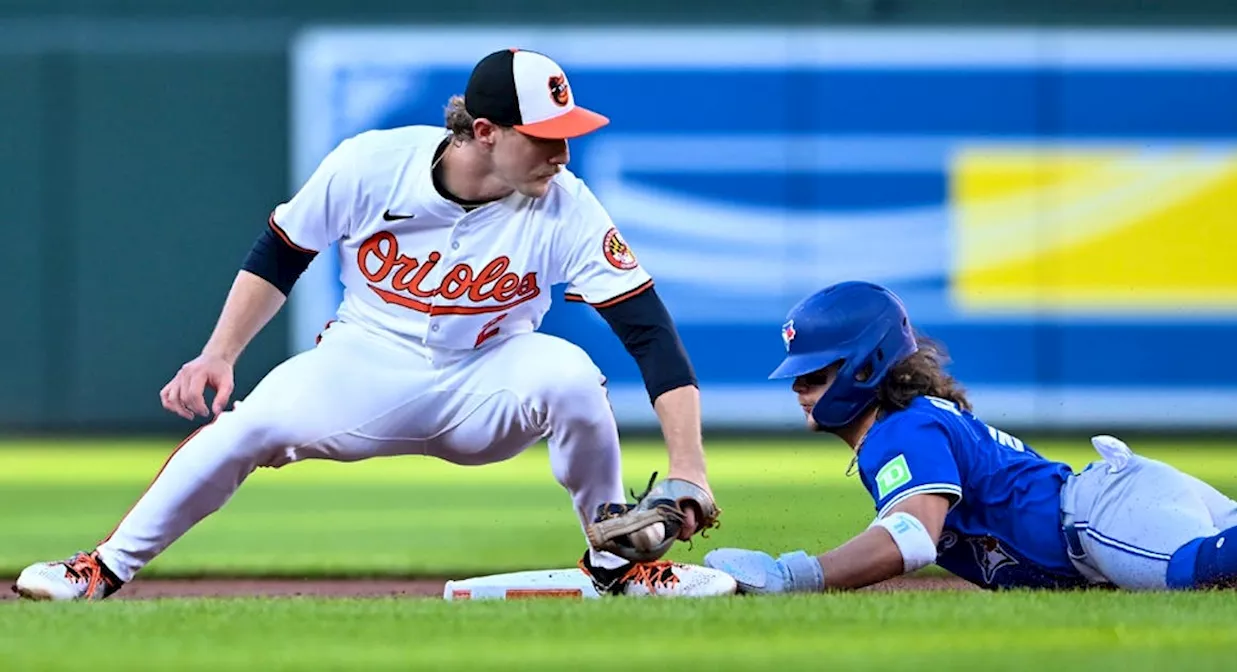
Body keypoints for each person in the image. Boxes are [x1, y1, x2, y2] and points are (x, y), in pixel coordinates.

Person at [14, 48, 726, 601]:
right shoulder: (372, 164)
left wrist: (688, 468)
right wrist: (218, 354)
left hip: (489, 377)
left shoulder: (565, 203)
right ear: (484, 131)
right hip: (364, 365)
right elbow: (283, 252)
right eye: (543, 137)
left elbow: (649, 334)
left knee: (572, 376)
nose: (562, 152)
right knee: (243, 427)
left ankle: (618, 572)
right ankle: (99, 571)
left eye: (566, 135)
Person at [704, 280, 1237, 593]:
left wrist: (796, 575)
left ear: (863, 366)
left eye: (815, 373)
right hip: (1118, 498)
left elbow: (911, 538)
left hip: (1098, 521)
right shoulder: (913, 420)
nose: (799, 388)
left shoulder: (898, 433)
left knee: (1195, 571)